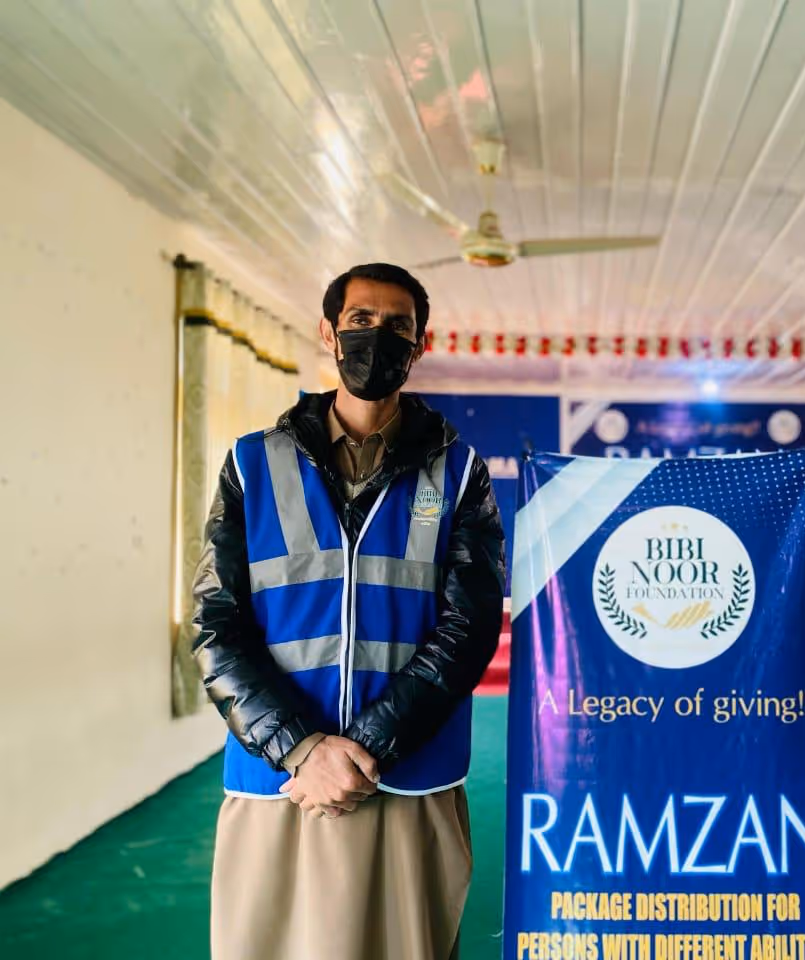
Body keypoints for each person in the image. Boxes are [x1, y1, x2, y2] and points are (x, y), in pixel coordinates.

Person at [192, 263, 505, 960]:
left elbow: (470, 627)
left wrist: (367, 749)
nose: (377, 336)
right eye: (361, 321)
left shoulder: (459, 472)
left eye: (398, 326)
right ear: (329, 333)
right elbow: (216, 625)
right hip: (281, 780)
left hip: (406, 776)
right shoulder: (252, 463)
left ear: (420, 345)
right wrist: (303, 750)